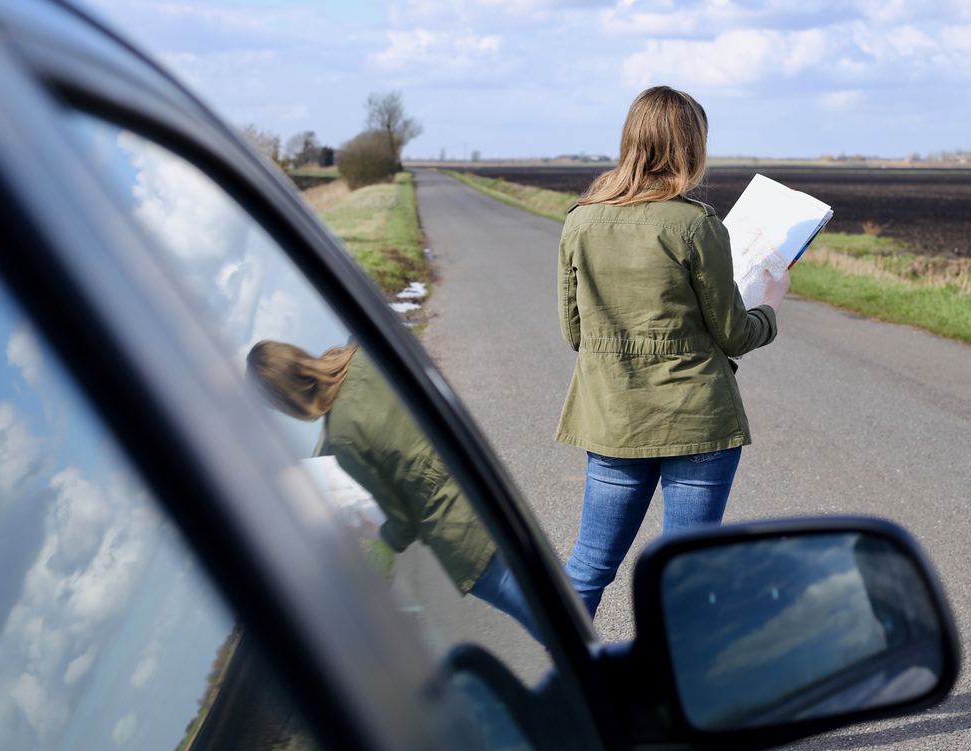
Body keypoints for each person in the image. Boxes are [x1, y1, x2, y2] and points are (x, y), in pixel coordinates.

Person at [556, 86, 790, 617]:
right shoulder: (696, 225)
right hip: (696, 421)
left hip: (614, 419)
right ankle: (674, 672)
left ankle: (560, 668)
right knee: (688, 576)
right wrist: (770, 306)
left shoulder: (580, 222)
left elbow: (575, 333)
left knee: (588, 566)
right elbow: (734, 335)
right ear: (691, 145)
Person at [247, 339, 538, 637]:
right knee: (549, 589)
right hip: (485, 489)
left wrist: (381, 538)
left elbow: (403, 520)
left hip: (458, 534)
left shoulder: (343, 437)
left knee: (548, 624)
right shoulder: (366, 357)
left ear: (286, 401)